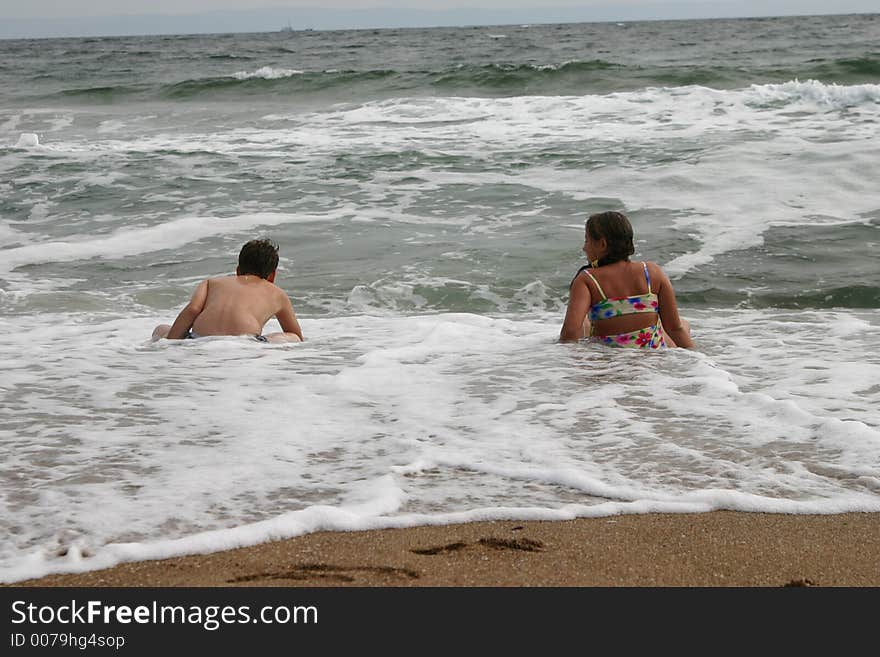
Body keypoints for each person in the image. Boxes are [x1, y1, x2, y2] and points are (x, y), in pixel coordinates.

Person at [559, 211, 693, 349]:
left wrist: (569, 367)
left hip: (609, 360)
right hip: (651, 361)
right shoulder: (651, 272)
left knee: (586, 324)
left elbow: (570, 331)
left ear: (603, 244)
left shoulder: (588, 279)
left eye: (587, 240)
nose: (584, 247)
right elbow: (675, 328)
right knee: (682, 325)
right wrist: (697, 361)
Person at [151, 238, 304, 344]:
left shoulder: (211, 283)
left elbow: (193, 310)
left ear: (238, 270)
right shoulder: (277, 293)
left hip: (198, 339)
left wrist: (171, 343)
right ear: (272, 275)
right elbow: (296, 334)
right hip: (246, 342)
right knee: (293, 338)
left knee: (160, 329)